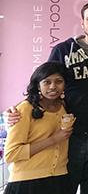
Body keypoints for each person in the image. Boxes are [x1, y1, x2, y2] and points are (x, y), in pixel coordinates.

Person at [3, 0, 88, 194]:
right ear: (82, 22)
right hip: (68, 138)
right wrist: (16, 109)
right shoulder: (63, 50)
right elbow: (43, 83)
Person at [4, 61, 74, 194]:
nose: (53, 86)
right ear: (38, 85)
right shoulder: (25, 109)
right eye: (47, 82)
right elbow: (10, 154)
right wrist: (53, 139)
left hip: (59, 180)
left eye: (58, 81)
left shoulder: (63, 107)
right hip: (27, 183)